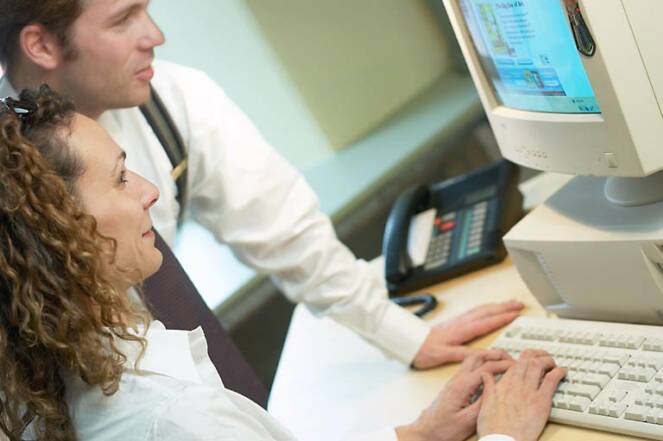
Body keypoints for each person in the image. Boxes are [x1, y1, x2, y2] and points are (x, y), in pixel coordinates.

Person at [0, 85, 566, 441]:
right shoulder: (172, 418)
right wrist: (504, 436)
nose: (150, 191)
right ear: (58, 230)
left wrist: (415, 434)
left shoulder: (54, 380)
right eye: (121, 178)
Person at [0, 0, 524, 371]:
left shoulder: (172, 99)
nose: (154, 35)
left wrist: (406, 336)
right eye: (123, 19)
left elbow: (285, 230)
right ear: (41, 44)